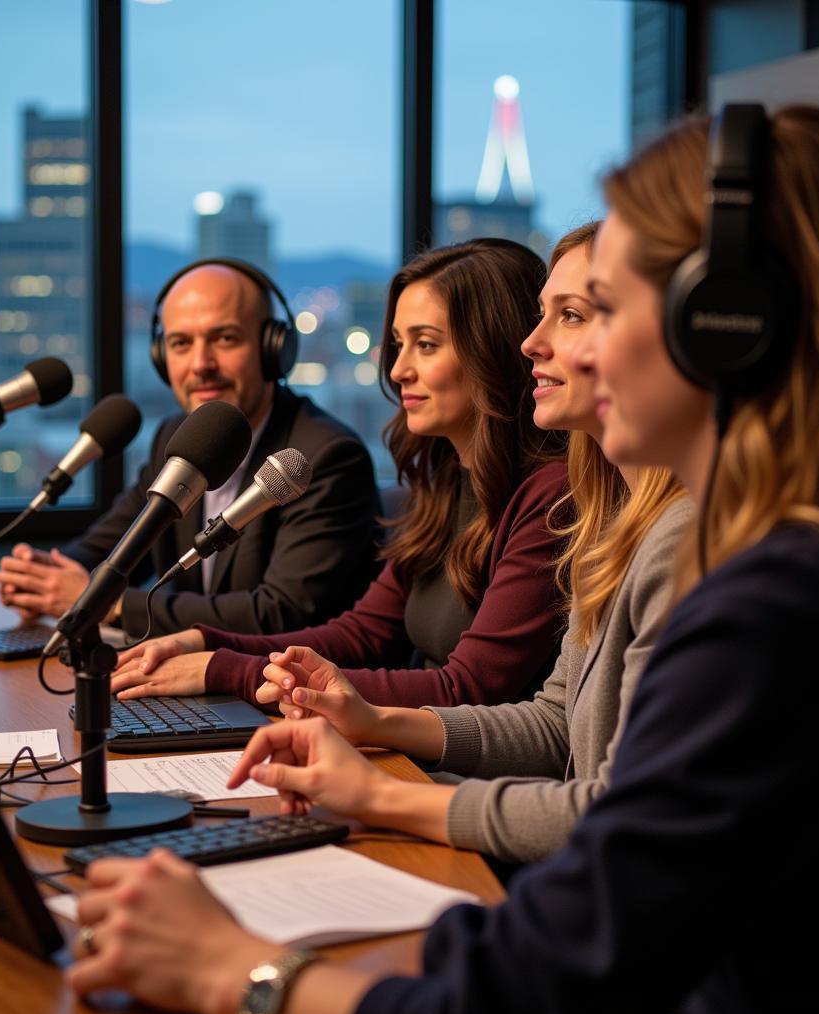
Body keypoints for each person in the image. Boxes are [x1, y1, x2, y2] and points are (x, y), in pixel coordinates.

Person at [68, 105, 819, 1014]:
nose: (561, 350)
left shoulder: (779, 600)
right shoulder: (799, 557)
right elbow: (591, 829)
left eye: (606, 309)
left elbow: (549, 976)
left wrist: (235, 971)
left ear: (728, 325)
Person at [242, 223, 691, 864]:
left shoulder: (674, 539)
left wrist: (377, 795)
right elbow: (553, 722)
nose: (531, 345)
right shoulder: (610, 525)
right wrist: (370, 719)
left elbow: (624, 819)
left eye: (570, 316)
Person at [108, 239, 570, 710]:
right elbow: (364, 633)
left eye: (425, 345)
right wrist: (202, 643)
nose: (399, 370)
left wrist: (223, 669)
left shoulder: (550, 496)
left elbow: (466, 690)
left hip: (459, 772)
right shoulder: (446, 482)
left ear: (493, 352)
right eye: (397, 345)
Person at [0, 259, 381, 637]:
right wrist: (40, 577)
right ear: (162, 359)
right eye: (180, 343)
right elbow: (113, 544)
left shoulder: (323, 457)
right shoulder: (181, 438)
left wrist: (106, 602)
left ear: (273, 349)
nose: (200, 364)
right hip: (192, 689)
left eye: (225, 339)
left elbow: (282, 614)